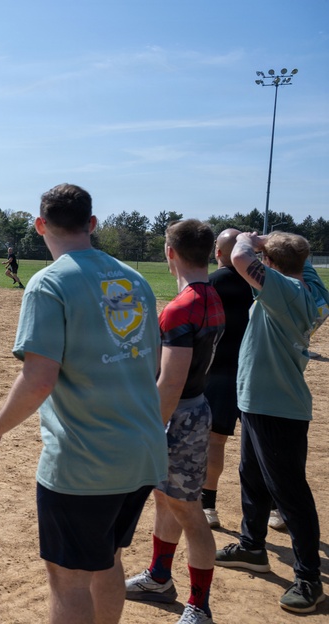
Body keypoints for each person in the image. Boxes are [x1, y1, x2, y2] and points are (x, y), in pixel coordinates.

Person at [0, 183, 166, 624]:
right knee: (108, 560)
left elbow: (39, 378)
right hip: (142, 453)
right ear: (92, 224)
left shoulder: (50, 282)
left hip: (86, 462)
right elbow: (151, 364)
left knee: (69, 580)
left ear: (40, 225)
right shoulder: (134, 280)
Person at [214, 231, 329, 614]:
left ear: (274, 265)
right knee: (253, 475)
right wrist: (279, 243)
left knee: (290, 494)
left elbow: (242, 258)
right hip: (260, 400)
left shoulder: (284, 291)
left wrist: (251, 238)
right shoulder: (311, 289)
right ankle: (252, 546)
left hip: (275, 406)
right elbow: (303, 258)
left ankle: (309, 580)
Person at [124, 220, 224, 624]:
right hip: (193, 409)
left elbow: (171, 383)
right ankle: (160, 578)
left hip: (179, 416)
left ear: (170, 253)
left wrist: (149, 431)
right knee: (165, 498)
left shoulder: (182, 308)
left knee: (188, 509)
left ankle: (199, 606)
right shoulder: (210, 295)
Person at [200, 229, 254, 530]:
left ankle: (208, 505)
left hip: (219, 371)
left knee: (215, 440)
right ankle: (272, 508)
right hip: (255, 371)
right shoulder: (261, 283)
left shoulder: (211, 282)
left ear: (217, 254)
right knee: (258, 444)